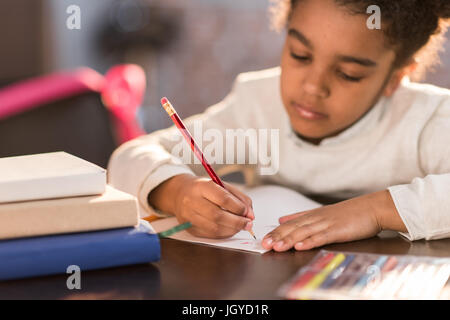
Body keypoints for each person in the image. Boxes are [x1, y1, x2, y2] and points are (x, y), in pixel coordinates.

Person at [107, 0, 450, 252]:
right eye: (300, 55)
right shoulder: (257, 108)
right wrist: (176, 191)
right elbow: (131, 155)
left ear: (397, 77)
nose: (313, 87)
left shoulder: (426, 120)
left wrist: (376, 210)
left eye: (349, 74)